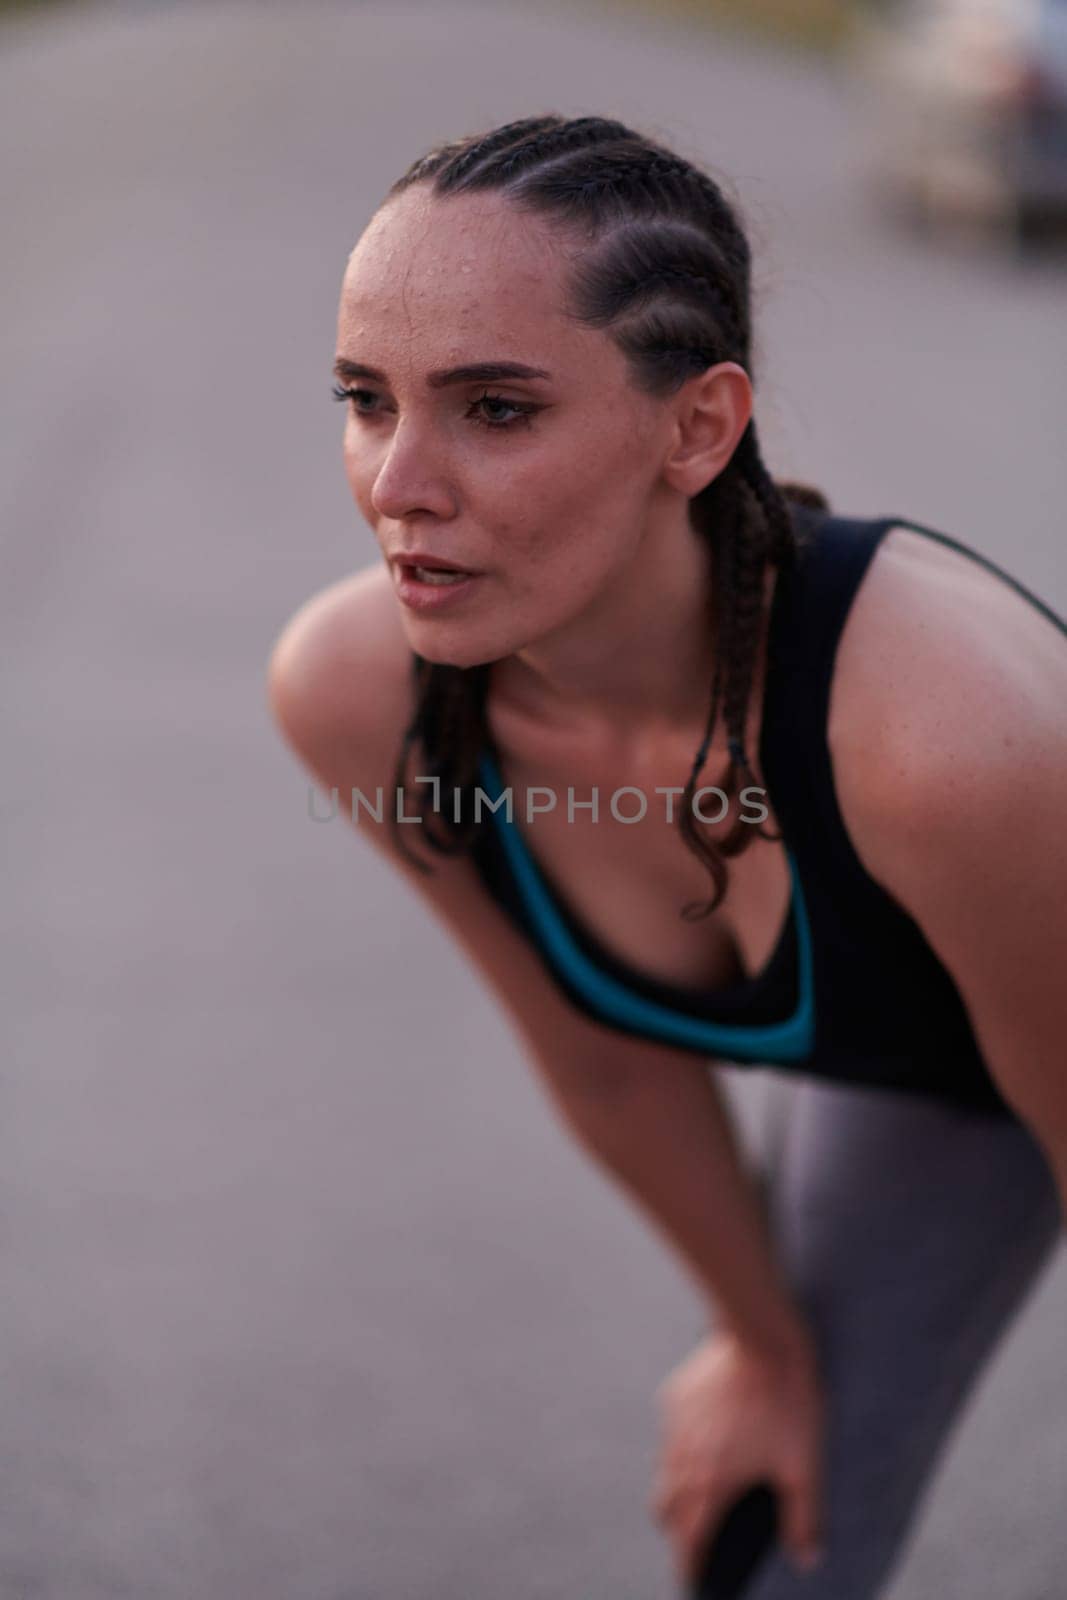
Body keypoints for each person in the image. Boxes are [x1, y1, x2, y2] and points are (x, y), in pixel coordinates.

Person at [267, 114, 1067, 1598]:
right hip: (944, 1069)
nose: (398, 487)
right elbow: (608, 1062)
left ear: (697, 428)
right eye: (367, 401)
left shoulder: (943, 743)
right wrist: (762, 1350)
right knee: (766, 1546)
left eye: (495, 409)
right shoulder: (361, 694)